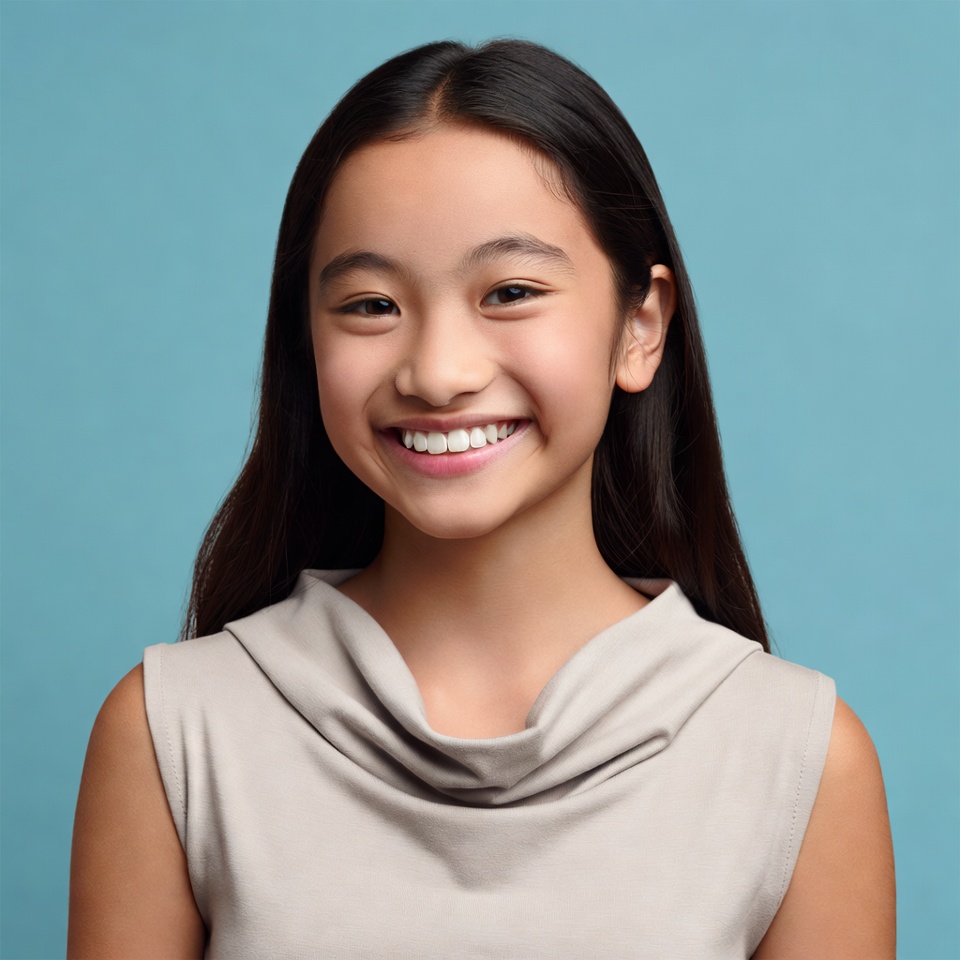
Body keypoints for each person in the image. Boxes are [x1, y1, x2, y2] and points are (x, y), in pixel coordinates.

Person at [67, 39, 895, 959]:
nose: (438, 372)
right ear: (305, 339)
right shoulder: (170, 734)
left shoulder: (800, 759)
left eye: (510, 290)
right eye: (371, 304)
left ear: (640, 326)